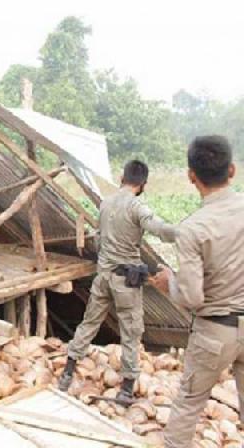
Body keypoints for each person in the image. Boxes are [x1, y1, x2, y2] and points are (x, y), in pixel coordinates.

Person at [149, 136, 244, 447]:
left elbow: (192, 297)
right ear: (232, 170)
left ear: (191, 176)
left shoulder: (193, 228)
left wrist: (168, 284)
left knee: (189, 404)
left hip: (216, 331)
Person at [58, 160, 178, 404]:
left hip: (103, 277)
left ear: (123, 177)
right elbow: (158, 229)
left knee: (89, 323)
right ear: (143, 183)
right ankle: (126, 389)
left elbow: (98, 239)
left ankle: (67, 373)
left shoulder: (106, 203)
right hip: (126, 281)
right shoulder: (136, 206)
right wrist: (185, 232)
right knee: (131, 332)